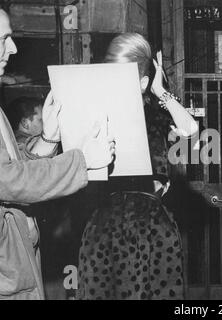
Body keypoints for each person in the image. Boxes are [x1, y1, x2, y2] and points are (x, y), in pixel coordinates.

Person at [0, 9, 115, 300]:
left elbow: (14, 170)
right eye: (3, 39)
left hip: (17, 265)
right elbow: (7, 180)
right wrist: (81, 161)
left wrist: (49, 138)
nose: (12, 48)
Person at [77, 33, 198, 300]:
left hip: (151, 224)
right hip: (106, 223)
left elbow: (190, 129)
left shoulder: (157, 114)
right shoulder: (97, 114)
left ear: (142, 82)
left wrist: (159, 90)